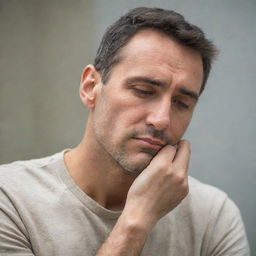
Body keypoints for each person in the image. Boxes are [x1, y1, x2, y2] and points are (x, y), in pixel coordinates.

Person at [0, 7, 250, 256]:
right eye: (143, 90)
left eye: (182, 103)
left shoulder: (213, 217)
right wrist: (137, 220)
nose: (161, 120)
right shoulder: (11, 201)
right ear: (91, 87)